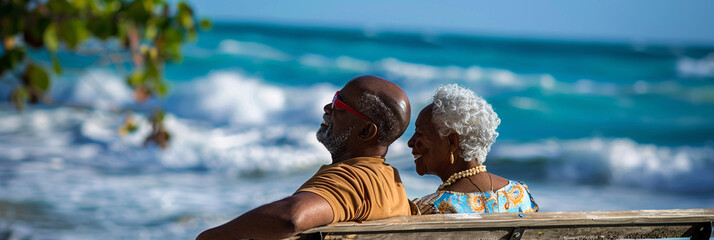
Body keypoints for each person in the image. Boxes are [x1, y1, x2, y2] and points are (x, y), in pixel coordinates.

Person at [197, 76, 412, 239]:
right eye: (335, 96)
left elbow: (291, 217)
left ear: (366, 131)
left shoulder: (351, 181)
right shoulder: (392, 183)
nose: (328, 107)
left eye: (340, 104)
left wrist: (211, 236)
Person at [408, 84, 537, 215]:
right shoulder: (520, 194)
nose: (410, 142)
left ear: (452, 142)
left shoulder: (429, 208)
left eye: (419, 133)